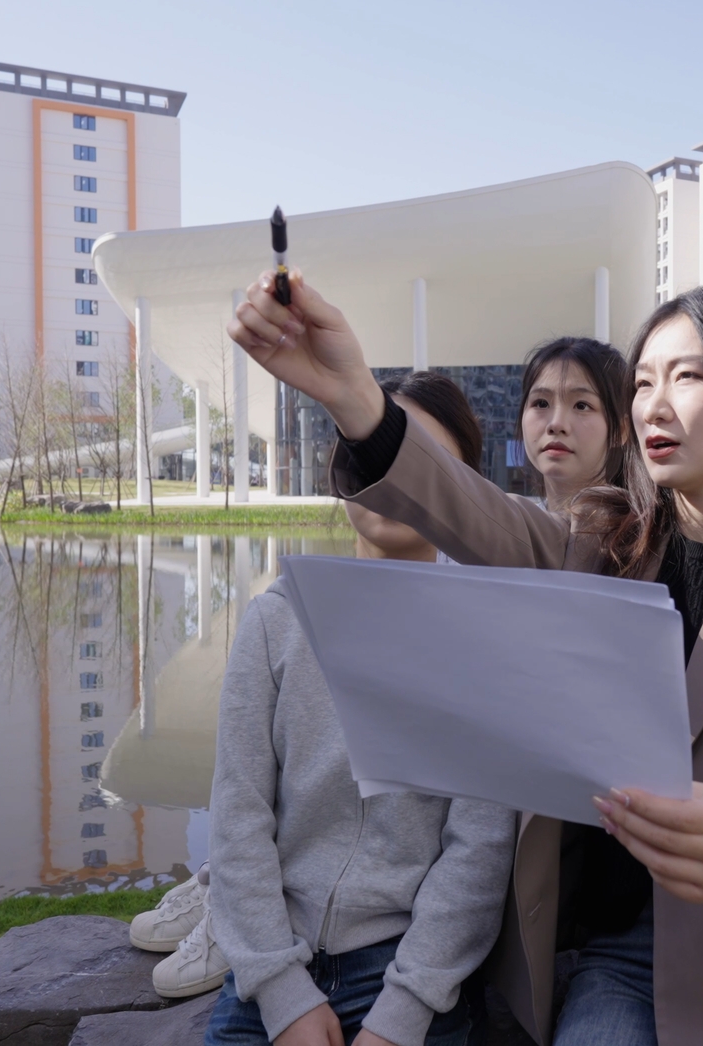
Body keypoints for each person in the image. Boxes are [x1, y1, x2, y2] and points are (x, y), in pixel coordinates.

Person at [231, 275, 703, 1046]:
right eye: (643, 382)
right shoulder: (602, 542)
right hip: (623, 949)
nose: (652, 404)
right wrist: (356, 401)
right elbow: (470, 509)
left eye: (687, 377)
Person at [194, 369, 517, 1046]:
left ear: (463, 484)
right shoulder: (277, 620)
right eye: (370, 452)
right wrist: (281, 993)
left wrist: (403, 1011)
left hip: (405, 970)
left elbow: (479, 849)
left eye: (420, 458)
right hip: (277, 963)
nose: (390, 476)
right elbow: (238, 815)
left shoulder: (487, 639)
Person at [520, 336, 635, 512]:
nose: (556, 424)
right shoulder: (512, 532)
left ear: (621, 430)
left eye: (582, 406)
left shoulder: (644, 534)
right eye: (541, 403)